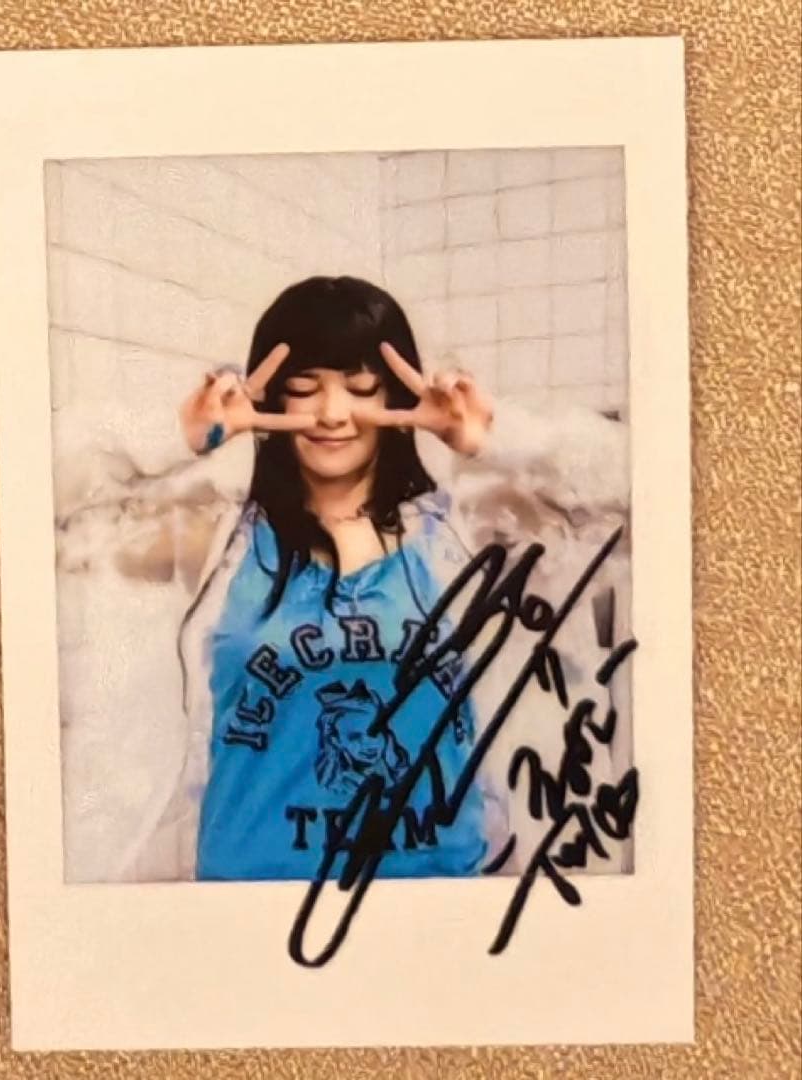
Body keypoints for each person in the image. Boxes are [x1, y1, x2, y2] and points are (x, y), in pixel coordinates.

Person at [56, 275, 632, 883]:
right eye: (303, 390)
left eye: (361, 389)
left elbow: (650, 499)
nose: (332, 414)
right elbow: (32, 510)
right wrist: (177, 436)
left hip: (439, 895)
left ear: (398, 400)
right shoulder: (213, 540)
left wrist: (497, 436)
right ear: (271, 402)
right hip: (248, 897)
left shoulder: (468, 533)